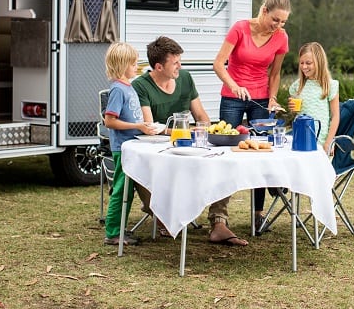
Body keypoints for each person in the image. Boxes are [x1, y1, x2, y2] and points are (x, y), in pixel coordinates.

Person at [133, 36, 248, 246]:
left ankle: (219, 223)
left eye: (180, 61)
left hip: (189, 144)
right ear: (158, 66)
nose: (180, 66)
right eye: (175, 62)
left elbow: (202, 118)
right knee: (141, 166)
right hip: (158, 148)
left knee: (224, 163)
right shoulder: (141, 86)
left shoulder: (185, 78)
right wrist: (184, 131)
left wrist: (197, 130)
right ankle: (161, 213)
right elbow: (150, 127)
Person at [213, 0, 291, 232]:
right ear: (264, 11)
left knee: (261, 153)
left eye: (283, 22)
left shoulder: (281, 38)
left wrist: (272, 99)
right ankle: (218, 219)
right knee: (226, 155)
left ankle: (258, 216)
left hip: (260, 100)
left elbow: (275, 73)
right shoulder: (240, 28)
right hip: (232, 98)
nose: (278, 25)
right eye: (275, 19)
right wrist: (234, 87)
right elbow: (218, 64)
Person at [102, 42, 157, 246]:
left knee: (127, 190)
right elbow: (109, 120)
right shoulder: (118, 89)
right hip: (123, 149)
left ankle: (120, 229)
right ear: (123, 64)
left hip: (132, 147)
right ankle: (113, 232)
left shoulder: (128, 87)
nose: (137, 67)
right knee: (120, 190)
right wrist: (137, 125)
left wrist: (144, 127)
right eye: (133, 63)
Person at [288, 42, 340, 154]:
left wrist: (329, 142)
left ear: (319, 62)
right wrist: (292, 109)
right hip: (300, 136)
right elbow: (295, 113)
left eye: (308, 63)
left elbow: (335, 116)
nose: (304, 67)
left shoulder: (330, 85)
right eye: (301, 63)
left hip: (320, 138)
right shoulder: (297, 86)